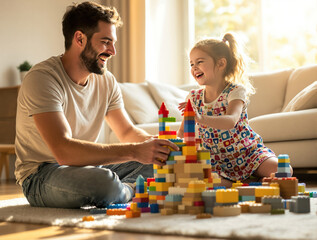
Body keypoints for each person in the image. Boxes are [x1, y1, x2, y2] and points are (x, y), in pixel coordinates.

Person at [15, 1, 178, 209]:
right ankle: (130, 190)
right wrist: (136, 151)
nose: (113, 51)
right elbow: (63, 151)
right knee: (102, 183)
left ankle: (122, 190)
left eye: (113, 43)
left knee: (164, 164)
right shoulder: (42, 78)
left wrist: (160, 148)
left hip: (90, 167)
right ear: (80, 38)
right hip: (42, 175)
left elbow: (126, 131)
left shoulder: (106, 81)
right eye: (106, 42)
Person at [177, 33, 292, 188]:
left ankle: (246, 182)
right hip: (215, 161)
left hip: (247, 153)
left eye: (199, 62)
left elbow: (231, 120)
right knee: (201, 178)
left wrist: (200, 118)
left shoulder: (235, 91)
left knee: (283, 169)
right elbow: (182, 132)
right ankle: (247, 183)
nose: (194, 67)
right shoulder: (193, 97)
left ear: (221, 64)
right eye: (191, 64)